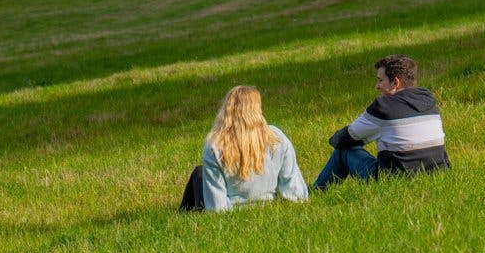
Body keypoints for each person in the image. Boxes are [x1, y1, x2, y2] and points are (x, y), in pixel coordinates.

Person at [313, 54, 450, 190]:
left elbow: (345, 138)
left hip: (394, 182)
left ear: (395, 82)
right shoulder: (428, 99)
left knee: (343, 151)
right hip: (437, 175)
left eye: (380, 80)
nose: (377, 86)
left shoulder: (383, 107)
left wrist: (334, 140)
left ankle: (314, 193)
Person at [179, 85, 308, 211]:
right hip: (268, 206)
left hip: (231, 211)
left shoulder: (215, 147)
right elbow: (296, 194)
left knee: (199, 173)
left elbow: (216, 207)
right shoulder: (277, 139)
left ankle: (182, 214)